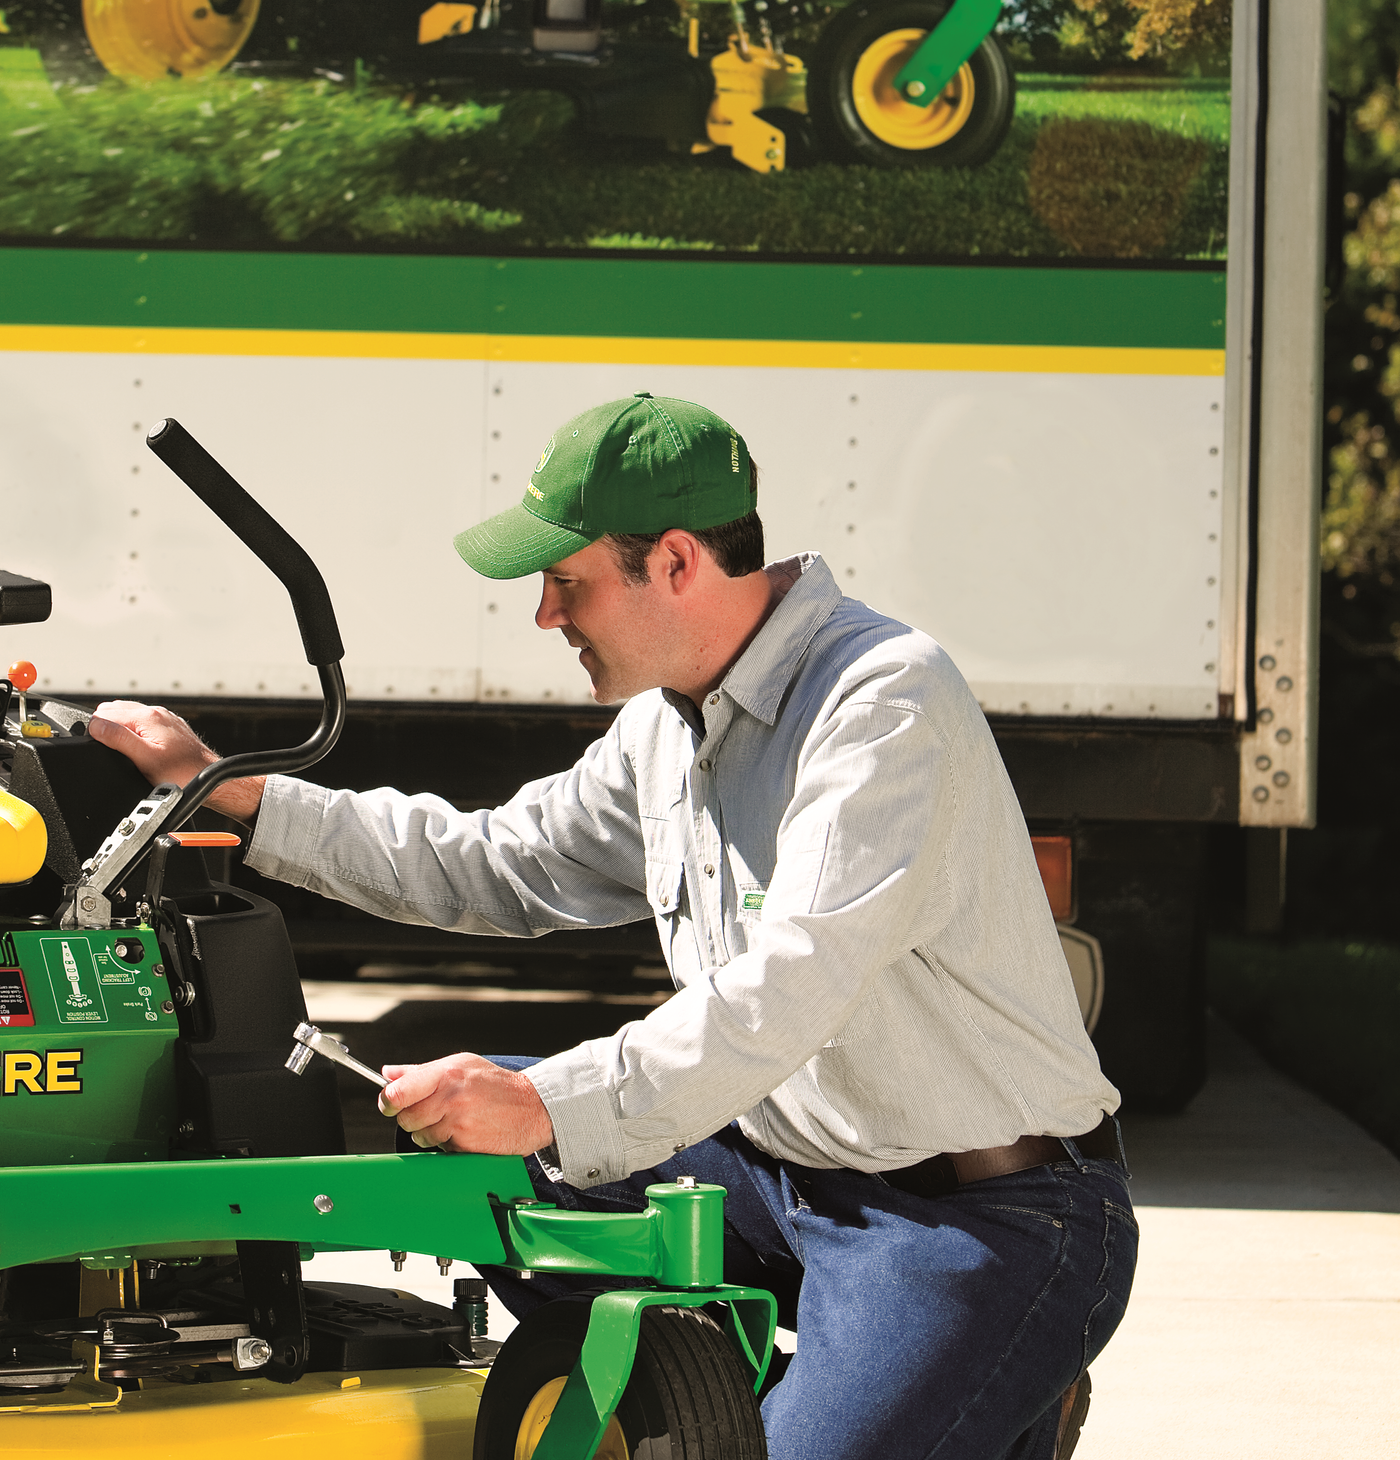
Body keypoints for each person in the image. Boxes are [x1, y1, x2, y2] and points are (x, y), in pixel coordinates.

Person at [89, 393, 1135, 1460]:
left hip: (979, 1222)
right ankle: (850, 1390)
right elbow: (496, 863)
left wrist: (546, 1101)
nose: (547, 615)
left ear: (675, 562)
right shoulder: (666, 727)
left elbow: (790, 988)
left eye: (567, 581)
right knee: (461, 1134)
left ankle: (1001, 1390)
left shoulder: (879, 703)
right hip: (782, 1177)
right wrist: (230, 790)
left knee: (533, 1120)